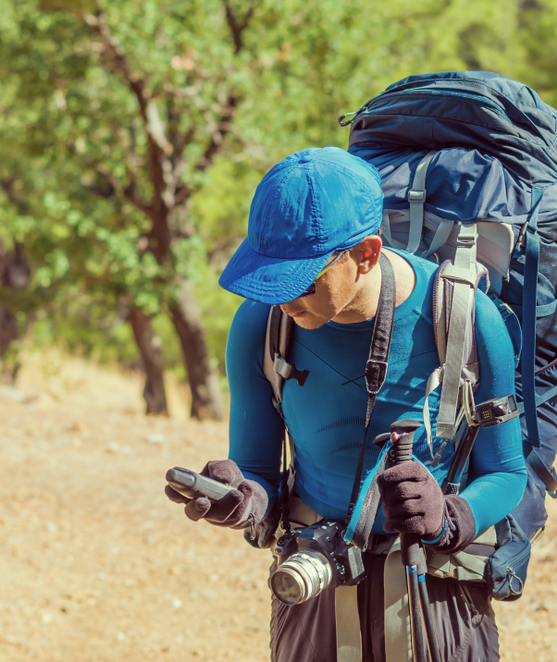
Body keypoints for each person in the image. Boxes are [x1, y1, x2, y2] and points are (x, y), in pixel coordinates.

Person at [166, 147, 526, 662]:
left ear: (368, 253)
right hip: (314, 578)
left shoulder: (465, 317)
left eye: (303, 282)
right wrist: (242, 497)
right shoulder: (260, 327)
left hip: (436, 586)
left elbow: (508, 473)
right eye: (272, 280)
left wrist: (450, 516)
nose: (285, 300)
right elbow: (260, 472)